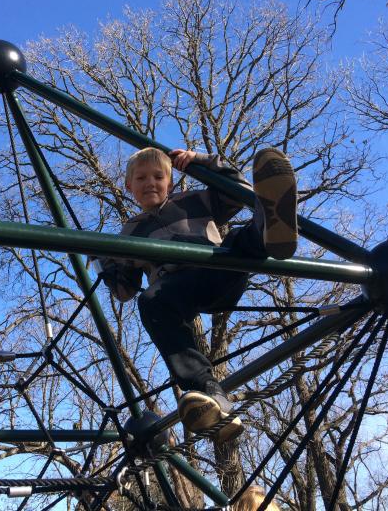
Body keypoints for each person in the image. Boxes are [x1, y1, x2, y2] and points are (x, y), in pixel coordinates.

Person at [96, 147, 297, 443]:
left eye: (158, 177)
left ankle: (269, 225)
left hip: (215, 269)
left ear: (170, 182)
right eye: (141, 178)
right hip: (175, 289)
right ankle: (208, 392)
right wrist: (104, 262)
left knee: (236, 242)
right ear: (129, 186)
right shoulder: (130, 232)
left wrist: (202, 161)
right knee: (150, 301)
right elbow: (124, 291)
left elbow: (239, 192)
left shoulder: (193, 201)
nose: (150, 183)